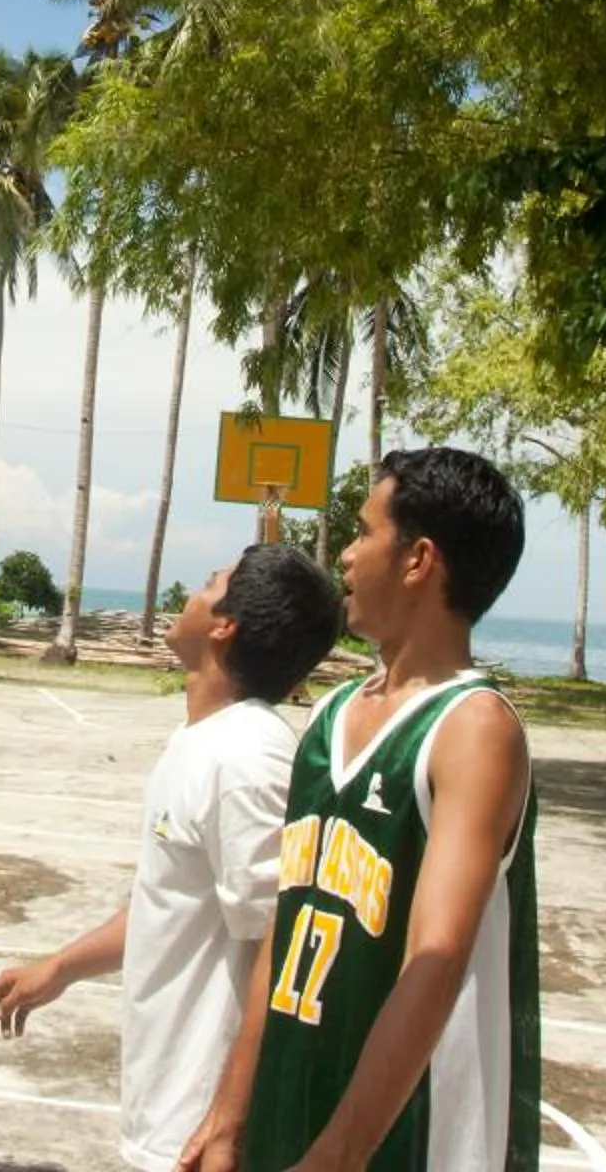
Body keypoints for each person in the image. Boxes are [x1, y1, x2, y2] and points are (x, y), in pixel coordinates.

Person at [184, 447, 540, 1172]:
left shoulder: (473, 729)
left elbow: (433, 963)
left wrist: (339, 1155)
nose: (345, 555)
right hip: (296, 1104)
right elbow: (287, 928)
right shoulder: (332, 715)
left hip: (406, 1137)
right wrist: (229, 1114)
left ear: (418, 560)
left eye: (364, 531)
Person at [0, 545, 347, 1171]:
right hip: (171, 1107)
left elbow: (281, 950)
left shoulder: (248, 760)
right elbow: (167, 904)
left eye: (209, 582)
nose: (192, 591)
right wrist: (61, 967)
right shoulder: (200, 740)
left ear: (225, 625)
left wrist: (229, 1122)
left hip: (205, 1125)